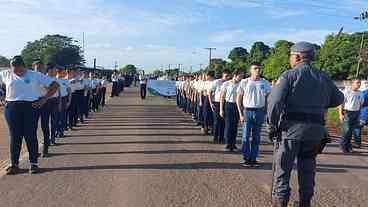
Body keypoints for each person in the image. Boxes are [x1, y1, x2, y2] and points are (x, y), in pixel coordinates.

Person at [268, 42, 344, 207]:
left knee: (282, 170)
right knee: (308, 170)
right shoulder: (323, 77)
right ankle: (305, 203)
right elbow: (338, 99)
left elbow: (274, 103)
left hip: (291, 131)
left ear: (296, 57)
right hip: (315, 133)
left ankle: (280, 202)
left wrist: (272, 125)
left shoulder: (289, 75)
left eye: (290, 56)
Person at [1, 56, 59, 174]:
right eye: (14, 70)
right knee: (15, 136)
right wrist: (1, 97)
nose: (17, 72)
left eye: (20, 69)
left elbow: (55, 85)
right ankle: (14, 164)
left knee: (30, 134)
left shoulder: (34, 75)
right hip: (11, 108)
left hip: (31, 107)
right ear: (11, 67)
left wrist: (44, 99)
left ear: (24, 66)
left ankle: (34, 164)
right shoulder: (5, 74)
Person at [237, 62, 271, 166]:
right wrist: (240, 114)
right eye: (255, 68)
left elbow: (269, 98)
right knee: (246, 137)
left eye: (259, 69)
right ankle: (246, 158)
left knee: (256, 137)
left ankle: (253, 158)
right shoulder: (244, 82)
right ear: (250, 70)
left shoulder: (265, 83)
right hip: (247, 111)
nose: (257, 71)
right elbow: (238, 98)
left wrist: (267, 112)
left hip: (259, 111)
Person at [220, 69, 243, 151]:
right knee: (228, 125)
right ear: (235, 75)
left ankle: (233, 143)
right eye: (240, 76)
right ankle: (228, 143)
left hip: (237, 106)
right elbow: (222, 97)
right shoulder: (226, 84)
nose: (241, 78)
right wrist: (221, 109)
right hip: (228, 105)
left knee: (235, 126)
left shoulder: (241, 84)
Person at [40, 63, 60, 157]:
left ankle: (52, 138)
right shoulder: (43, 78)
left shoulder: (56, 79)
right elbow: (48, 89)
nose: (56, 71)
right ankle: (46, 146)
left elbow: (58, 92)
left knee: (54, 121)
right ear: (49, 70)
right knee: (45, 124)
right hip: (45, 102)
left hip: (55, 102)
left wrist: (59, 103)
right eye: (55, 70)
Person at [339, 79, 364, 153]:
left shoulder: (360, 93)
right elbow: (341, 103)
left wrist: (359, 114)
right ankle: (343, 145)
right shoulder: (347, 91)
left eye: (359, 83)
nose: (359, 84)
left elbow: (361, 104)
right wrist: (340, 114)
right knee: (346, 130)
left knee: (351, 130)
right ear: (352, 83)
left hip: (356, 113)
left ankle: (348, 146)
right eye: (357, 83)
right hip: (348, 112)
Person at [209, 69, 231, 143]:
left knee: (223, 122)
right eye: (226, 76)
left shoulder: (229, 83)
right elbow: (210, 92)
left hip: (226, 103)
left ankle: (221, 138)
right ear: (222, 75)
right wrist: (211, 103)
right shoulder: (216, 82)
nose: (227, 78)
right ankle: (215, 137)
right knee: (217, 121)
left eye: (228, 76)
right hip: (217, 102)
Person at [55, 66, 72, 139]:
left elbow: (69, 92)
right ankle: (55, 131)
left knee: (62, 116)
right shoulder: (54, 79)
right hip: (55, 99)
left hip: (64, 99)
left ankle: (61, 132)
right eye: (63, 72)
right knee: (55, 116)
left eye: (64, 72)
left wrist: (69, 101)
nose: (64, 73)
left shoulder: (65, 81)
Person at [353, 80, 368, 148]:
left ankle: (357, 143)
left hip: (364, 114)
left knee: (357, 127)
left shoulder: (364, 93)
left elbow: (359, 103)